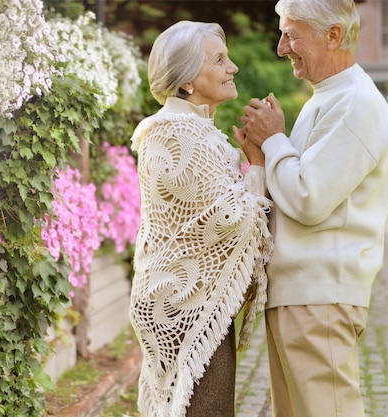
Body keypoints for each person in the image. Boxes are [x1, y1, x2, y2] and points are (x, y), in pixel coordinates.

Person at [236, 1, 388, 416]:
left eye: (291, 33)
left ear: (333, 35)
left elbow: (309, 199)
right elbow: (294, 192)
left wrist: (273, 140)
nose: (282, 47)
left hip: (319, 296)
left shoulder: (357, 103)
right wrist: (263, 158)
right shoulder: (329, 98)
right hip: (300, 295)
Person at [129, 20, 273, 417]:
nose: (233, 68)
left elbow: (206, 216)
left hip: (184, 301)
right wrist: (258, 163)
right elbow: (233, 220)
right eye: (220, 60)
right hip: (185, 307)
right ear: (189, 79)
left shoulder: (181, 129)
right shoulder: (181, 134)